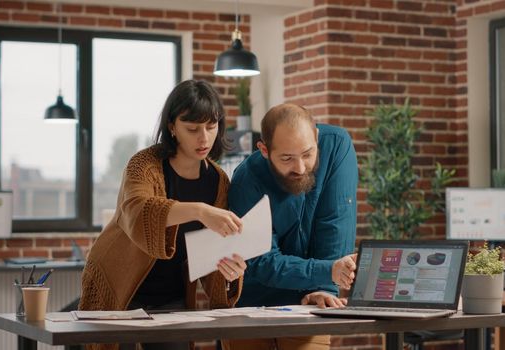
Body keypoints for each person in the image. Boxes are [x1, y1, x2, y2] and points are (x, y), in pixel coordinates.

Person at [79, 80, 247, 350]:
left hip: (172, 294)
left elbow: (210, 252)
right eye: (192, 129)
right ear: (172, 127)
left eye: (211, 126)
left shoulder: (218, 181)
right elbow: (137, 211)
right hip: (117, 285)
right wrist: (200, 210)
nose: (203, 138)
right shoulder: (144, 165)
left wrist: (229, 272)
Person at [225, 103, 358, 350]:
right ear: (264, 150)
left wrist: (323, 288)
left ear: (316, 137)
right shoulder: (246, 180)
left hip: (313, 302)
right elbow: (262, 262)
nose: (300, 168)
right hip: (253, 304)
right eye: (286, 158)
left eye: (308, 154)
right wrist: (327, 271)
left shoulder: (337, 146)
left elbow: (335, 225)